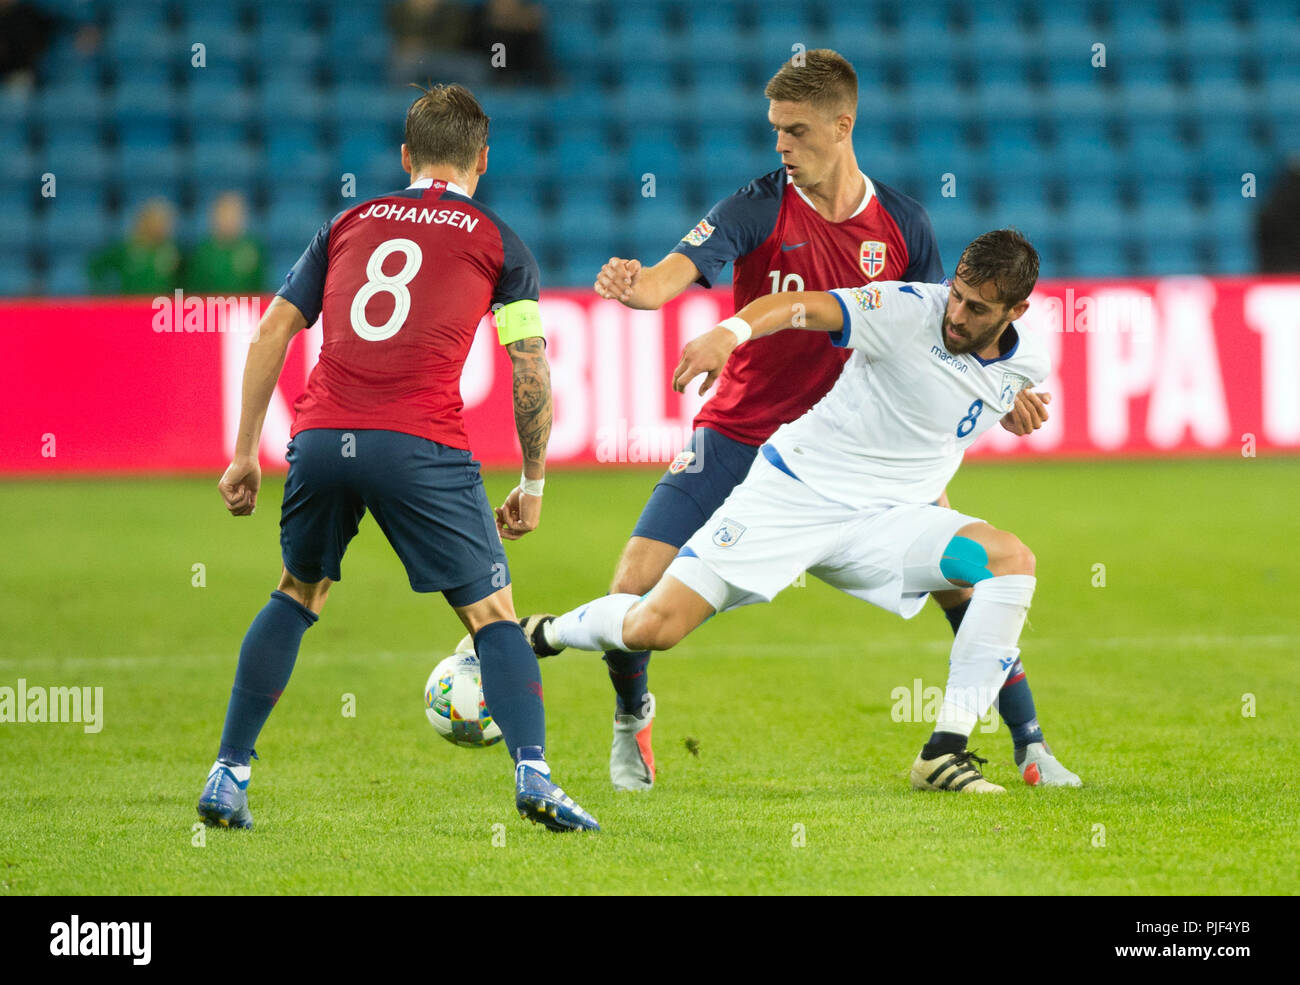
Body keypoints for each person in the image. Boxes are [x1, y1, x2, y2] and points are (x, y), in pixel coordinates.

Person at [587, 50, 1075, 790]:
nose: (779, 146)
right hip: (741, 434)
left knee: (973, 584)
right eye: (775, 130)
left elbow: (948, 344)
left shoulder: (904, 224)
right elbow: (667, 280)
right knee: (633, 588)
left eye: (795, 131)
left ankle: (1029, 744)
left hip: (863, 455)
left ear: (842, 126)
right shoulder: (755, 206)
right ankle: (631, 720)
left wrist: (1004, 397)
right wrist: (636, 288)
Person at [526, 230, 1062, 793]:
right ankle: (549, 632)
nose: (956, 314)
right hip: (796, 495)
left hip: (891, 523)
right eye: (956, 294)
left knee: (1010, 561)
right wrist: (728, 333)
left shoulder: (1028, 363)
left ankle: (944, 752)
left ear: (1016, 311)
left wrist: (1006, 405)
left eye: (977, 309)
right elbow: (798, 305)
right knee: (653, 626)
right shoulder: (905, 310)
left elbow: (981, 384)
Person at [197, 83, 598, 834]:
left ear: (406, 155)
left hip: (320, 437)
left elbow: (272, 333)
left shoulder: (347, 222)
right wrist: (533, 480)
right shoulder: (499, 240)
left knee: (295, 592)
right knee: (493, 615)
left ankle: (228, 772)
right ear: (483, 158)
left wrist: (244, 451)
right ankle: (536, 775)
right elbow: (530, 364)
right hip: (420, 441)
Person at [87, 198, 182, 296]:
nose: (162, 227)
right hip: (131, 307)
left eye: (166, 222)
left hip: (160, 308)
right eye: (157, 221)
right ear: (145, 221)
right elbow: (95, 267)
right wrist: (104, 293)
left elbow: (182, 283)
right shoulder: (126, 249)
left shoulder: (171, 251)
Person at [184, 192, 267, 295]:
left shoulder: (253, 249)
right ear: (214, 218)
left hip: (245, 308)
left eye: (234, 215)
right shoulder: (203, 251)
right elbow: (193, 289)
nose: (229, 220)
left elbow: (261, 288)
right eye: (224, 214)